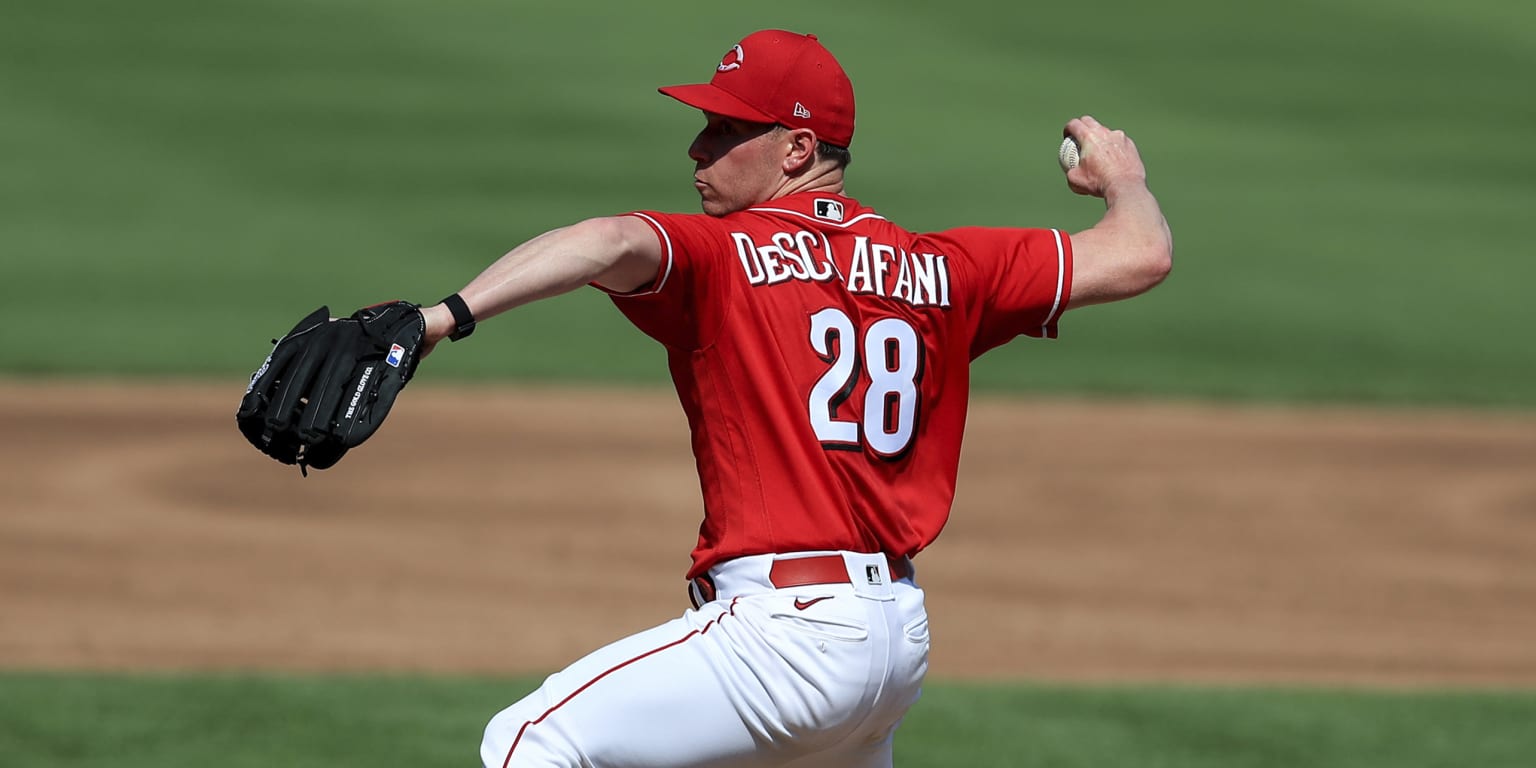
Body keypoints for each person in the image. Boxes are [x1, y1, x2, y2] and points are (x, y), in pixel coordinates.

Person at [414, 29, 1171, 768]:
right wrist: (1122, 179)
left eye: (724, 129)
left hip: (784, 638)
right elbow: (1141, 252)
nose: (697, 149)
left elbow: (608, 241)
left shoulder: (724, 254)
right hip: (893, 642)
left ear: (798, 150)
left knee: (530, 741)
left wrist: (439, 319)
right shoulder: (949, 268)